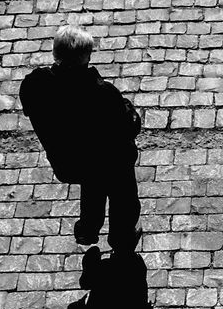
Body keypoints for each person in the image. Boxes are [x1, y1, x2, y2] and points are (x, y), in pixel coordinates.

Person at [20, 25, 143, 250]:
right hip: (108, 161)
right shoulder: (101, 93)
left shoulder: (34, 85)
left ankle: (87, 230)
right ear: (85, 56)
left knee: (92, 183)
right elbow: (128, 126)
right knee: (121, 192)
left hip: (68, 161)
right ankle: (122, 237)